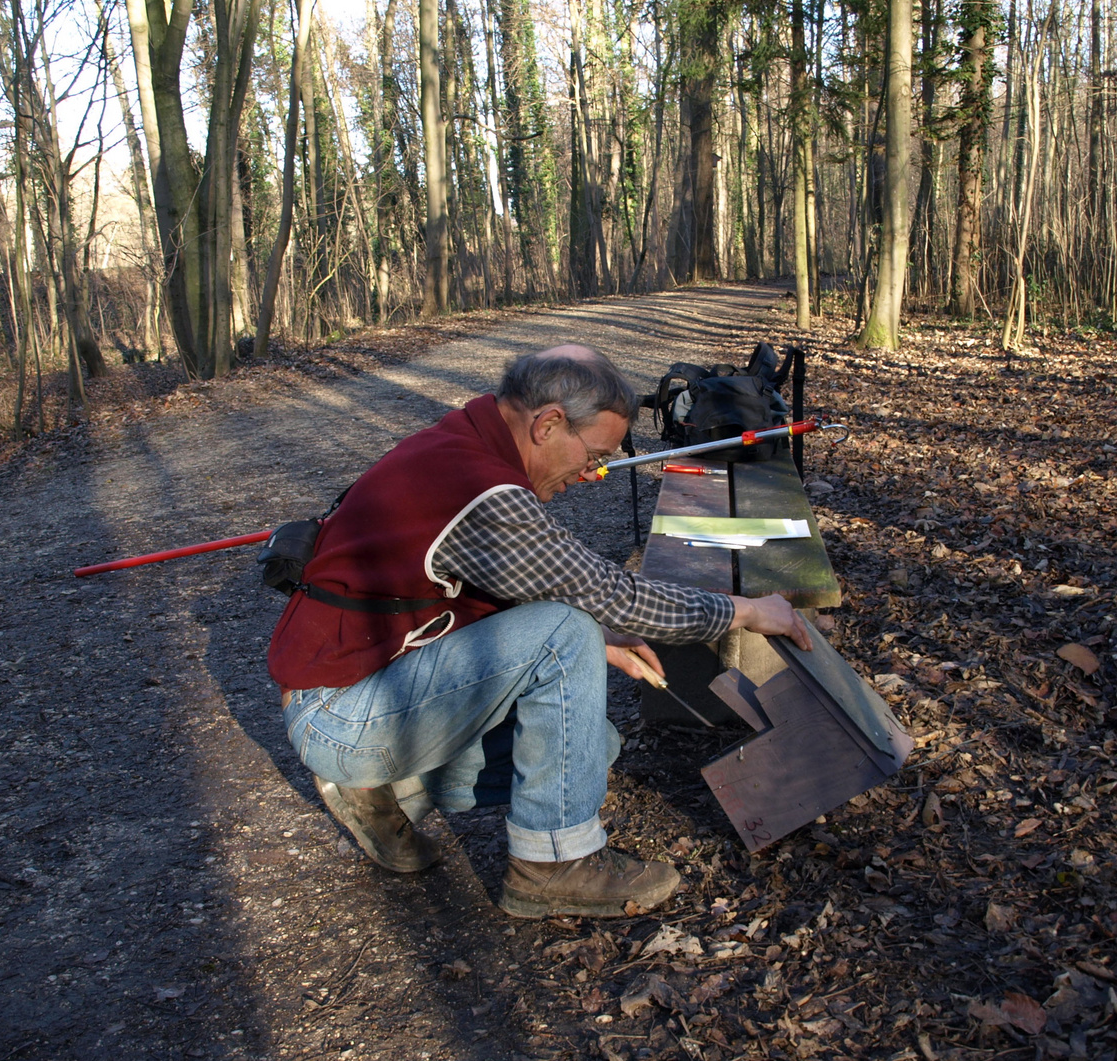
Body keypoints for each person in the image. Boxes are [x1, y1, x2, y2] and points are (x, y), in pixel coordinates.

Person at [269, 345, 810, 918]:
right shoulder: (483, 491)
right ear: (548, 423)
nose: (593, 474)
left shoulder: (466, 437)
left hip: (369, 687)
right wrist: (743, 612)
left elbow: (488, 588)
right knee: (565, 629)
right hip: (343, 713)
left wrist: (597, 640)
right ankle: (552, 865)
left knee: (590, 747)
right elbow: (610, 594)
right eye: (594, 454)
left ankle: (387, 796)